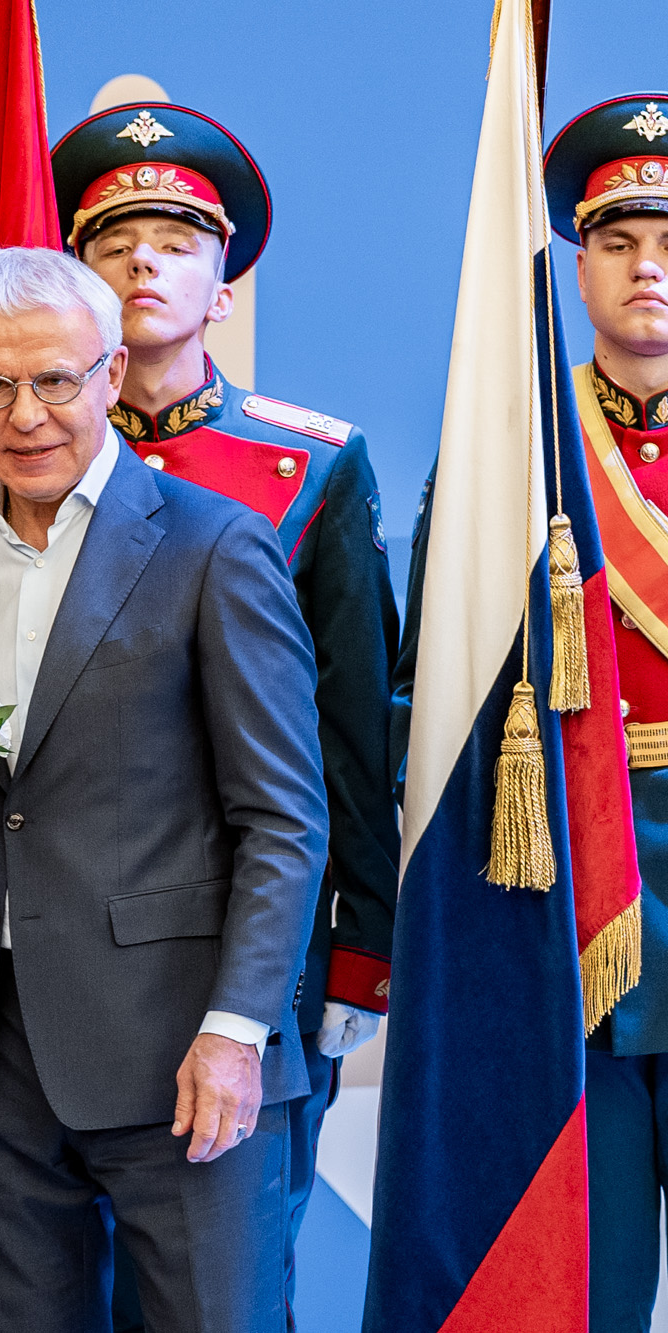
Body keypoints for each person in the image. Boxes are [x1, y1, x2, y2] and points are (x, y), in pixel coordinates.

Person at [0, 246, 326, 1333]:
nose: (24, 414)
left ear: (112, 372)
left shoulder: (217, 545)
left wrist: (237, 1030)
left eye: (54, 379)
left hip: (184, 1051)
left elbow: (281, 820)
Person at [51, 102, 401, 1320]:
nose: (141, 264)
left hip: (254, 926)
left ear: (224, 286)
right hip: (66, 930)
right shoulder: (26, 459)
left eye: (173, 243)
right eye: (111, 244)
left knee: (237, 1276)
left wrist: (362, 941)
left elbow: (353, 725)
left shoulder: (309, 464)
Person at [543, 92, 668, 1330]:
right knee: (595, 1277)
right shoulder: (520, 449)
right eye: (618, 242)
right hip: (588, 879)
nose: (646, 269)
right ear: (576, 267)